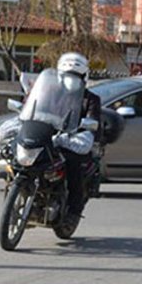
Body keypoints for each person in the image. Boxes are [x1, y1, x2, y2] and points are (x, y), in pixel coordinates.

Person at [52, 52, 101, 231]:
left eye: (76, 76)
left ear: (84, 77)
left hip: (75, 141)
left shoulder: (91, 100)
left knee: (73, 165)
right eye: (67, 75)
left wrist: (85, 128)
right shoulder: (52, 94)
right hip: (51, 137)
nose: (71, 79)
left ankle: (74, 211)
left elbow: (92, 122)